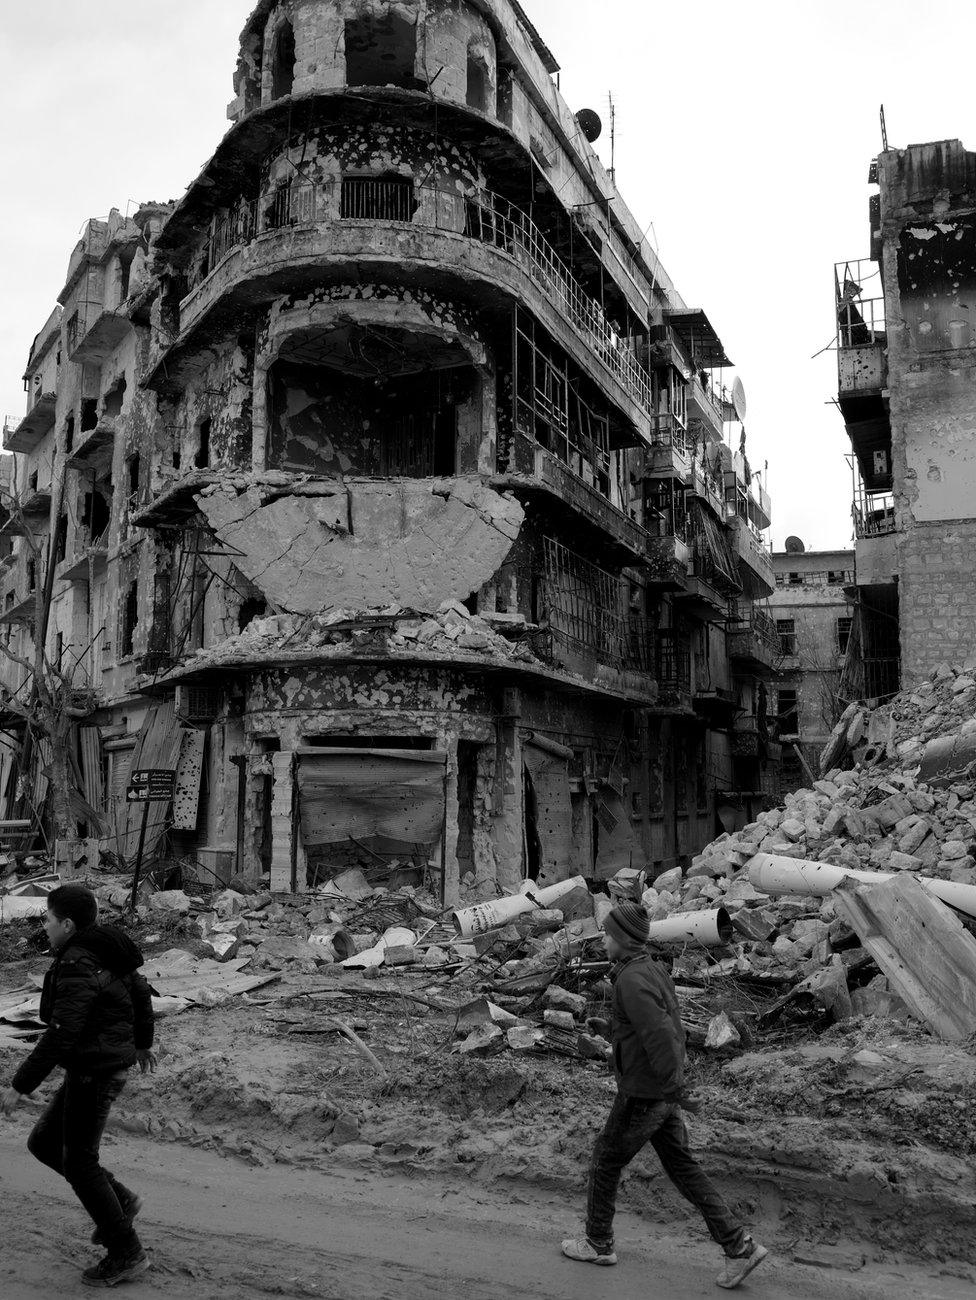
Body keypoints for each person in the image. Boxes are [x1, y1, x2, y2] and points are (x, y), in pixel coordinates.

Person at [561, 900, 767, 1290]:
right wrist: (611, 1029)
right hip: (660, 1091)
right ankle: (739, 1246)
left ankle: (598, 1242)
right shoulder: (650, 970)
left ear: (623, 939)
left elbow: (661, 1038)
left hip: (645, 1092)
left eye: (607, 934)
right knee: (683, 1168)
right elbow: (656, 1027)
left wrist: (670, 1086)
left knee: (606, 1159)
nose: (603, 940)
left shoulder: (631, 980)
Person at [0, 883, 157, 1288]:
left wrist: (21, 1083)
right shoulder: (107, 947)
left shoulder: (76, 961)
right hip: (98, 1062)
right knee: (44, 1144)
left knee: (80, 1162)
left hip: (95, 1068)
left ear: (67, 924)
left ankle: (126, 1251)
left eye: (48, 919)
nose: (45, 927)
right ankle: (119, 1200)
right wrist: (142, 1042)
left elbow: (62, 1030)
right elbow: (140, 989)